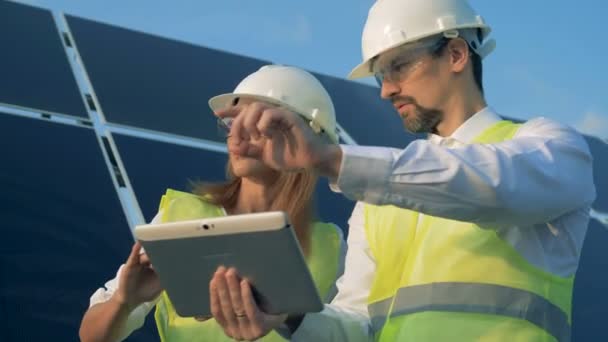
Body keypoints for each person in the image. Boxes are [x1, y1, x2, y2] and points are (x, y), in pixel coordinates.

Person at [211, 0, 596, 341]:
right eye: (381, 74)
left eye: (399, 66)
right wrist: (288, 315)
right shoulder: (376, 199)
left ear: (457, 54)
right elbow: (355, 327)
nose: (386, 90)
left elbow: (488, 185)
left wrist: (331, 159)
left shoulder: (552, 147)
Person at [78, 65, 346, 342]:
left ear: (303, 137)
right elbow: (92, 337)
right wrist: (124, 300)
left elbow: (347, 334)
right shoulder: (180, 218)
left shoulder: (331, 245)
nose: (235, 135)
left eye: (254, 123)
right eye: (232, 123)